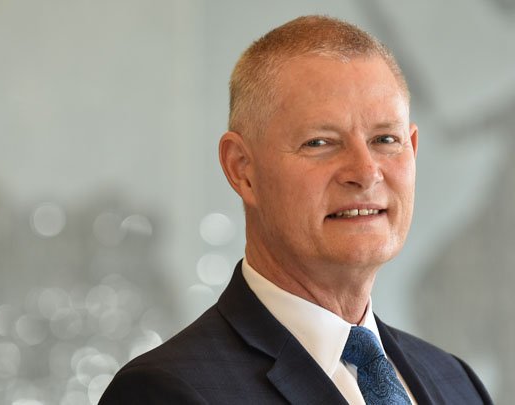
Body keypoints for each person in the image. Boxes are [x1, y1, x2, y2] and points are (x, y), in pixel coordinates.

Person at [100, 15, 492, 405]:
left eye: (385, 139)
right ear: (242, 169)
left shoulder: (457, 383)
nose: (365, 172)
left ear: (413, 150)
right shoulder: (165, 392)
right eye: (320, 142)